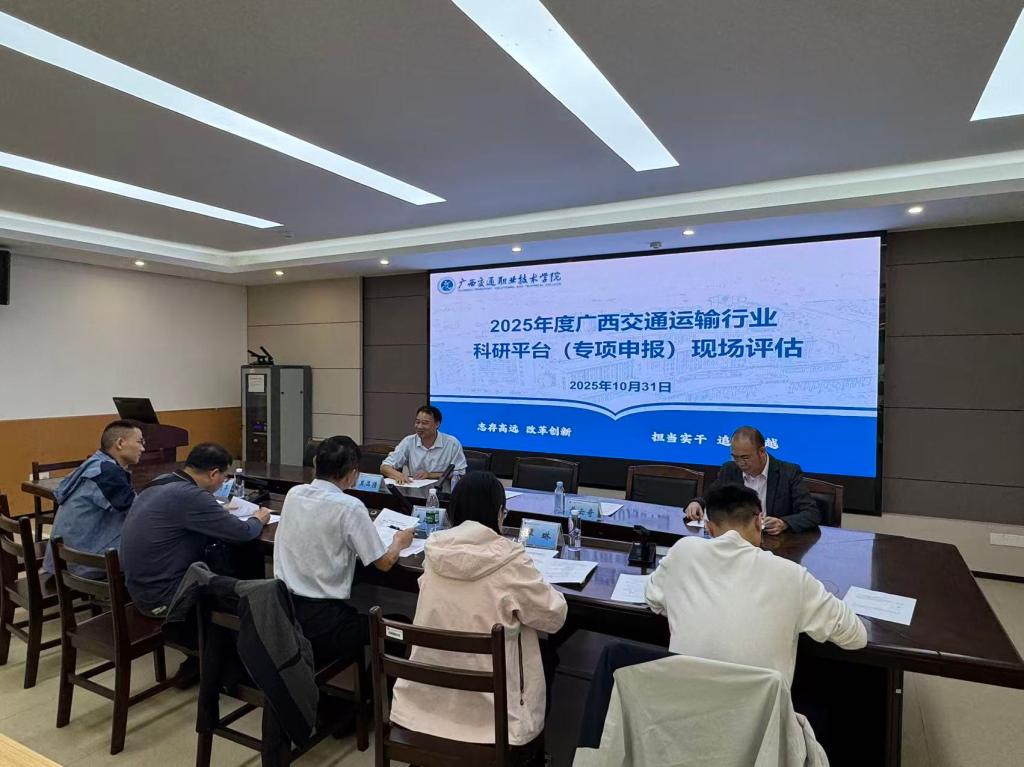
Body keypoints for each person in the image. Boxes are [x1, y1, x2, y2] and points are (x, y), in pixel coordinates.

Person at [389, 471, 567, 747]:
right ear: (499, 513)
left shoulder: (433, 552)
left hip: (424, 708)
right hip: (496, 720)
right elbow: (554, 617)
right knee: (546, 653)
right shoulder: (511, 559)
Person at [648, 484, 866, 685]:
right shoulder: (790, 574)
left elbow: (653, 598)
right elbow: (855, 636)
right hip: (760, 714)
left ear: (709, 528)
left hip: (683, 708)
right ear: (758, 521)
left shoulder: (683, 552)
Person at [273, 436, 414, 668]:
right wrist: (399, 542)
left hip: (285, 609)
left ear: (316, 464)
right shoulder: (350, 506)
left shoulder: (294, 494)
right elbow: (384, 563)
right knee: (397, 627)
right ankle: (375, 689)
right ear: (352, 474)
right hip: (323, 622)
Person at [120, 443, 271, 617]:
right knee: (253, 589)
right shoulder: (191, 495)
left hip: (142, 591)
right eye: (224, 477)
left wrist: (214, 511)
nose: (223, 482)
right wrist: (258, 519)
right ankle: (236, 628)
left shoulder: (163, 481)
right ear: (213, 474)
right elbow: (244, 533)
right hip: (166, 597)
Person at [43, 420, 146, 577]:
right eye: (139, 442)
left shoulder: (96, 464)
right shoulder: (107, 473)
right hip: (82, 566)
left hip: (62, 560)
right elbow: (137, 512)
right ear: (120, 443)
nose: (143, 448)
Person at [685, 426, 821, 534]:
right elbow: (711, 496)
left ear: (762, 452)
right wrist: (697, 503)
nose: (740, 463)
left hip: (774, 544)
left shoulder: (788, 473)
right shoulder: (730, 469)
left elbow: (811, 514)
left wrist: (783, 523)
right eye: (735, 457)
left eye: (745, 457)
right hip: (738, 539)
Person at [380, 405, 467, 487]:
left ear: (437, 424)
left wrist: (430, 475)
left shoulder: (452, 443)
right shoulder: (409, 441)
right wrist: (398, 475)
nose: (419, 426)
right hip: (416, 491)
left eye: (425, 423)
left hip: (443, 491)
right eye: (417, 422)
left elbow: (460, 473)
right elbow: (385, 466)